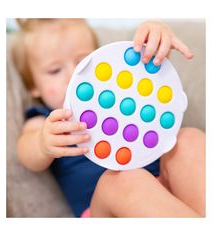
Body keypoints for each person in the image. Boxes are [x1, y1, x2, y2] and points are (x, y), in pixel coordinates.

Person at [13, 19, 205, 217]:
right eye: (55, 70)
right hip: (107, 209)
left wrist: (153, 47)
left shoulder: (121, 98)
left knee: (188, 140)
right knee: (124, 179)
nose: (73, 75)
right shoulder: (46, 120)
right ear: (33, 86)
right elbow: (26, 153)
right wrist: (42, 143)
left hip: (166, 195)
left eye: (82, 61)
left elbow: (149, 86)